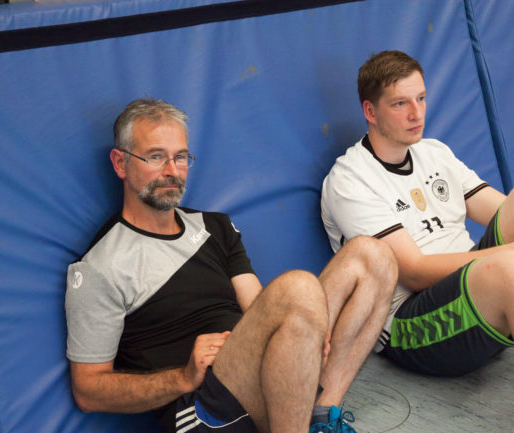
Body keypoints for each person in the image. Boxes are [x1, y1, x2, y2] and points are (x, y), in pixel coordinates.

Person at [320, 50, 514, 432]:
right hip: (413, 325)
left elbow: (509, 210)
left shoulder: (433, 152)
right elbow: (415, 272)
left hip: (478, 284)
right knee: (511, 264)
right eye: (400, 104)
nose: (417, 113)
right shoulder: (350, 179)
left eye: (421, 98)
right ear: (370, 111)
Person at [65, 98, 397, 433]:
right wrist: (182, 377)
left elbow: (258, 307)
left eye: (180, 157)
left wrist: (309, 330)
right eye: (155, 156)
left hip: (256, 370)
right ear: (120, 163)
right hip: (204, 405)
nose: (172, 171)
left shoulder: (214, 226)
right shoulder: (100, 267)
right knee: (298, 288)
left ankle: (321, 419)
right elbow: (87, 391)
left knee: (374, 256)